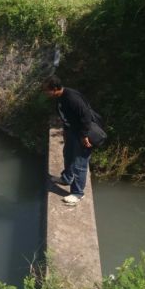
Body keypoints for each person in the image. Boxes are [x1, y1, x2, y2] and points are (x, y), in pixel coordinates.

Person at [42, 75, 93, 205]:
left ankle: (77, 193)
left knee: (79, 164)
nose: (45, 93)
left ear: (54, 88)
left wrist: (84, 135)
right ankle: (66, 178)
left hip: (81, 134)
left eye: (46, 90)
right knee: (68, 155)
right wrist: (65, 130)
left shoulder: (71, 98)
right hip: (71, 131)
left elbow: (86, 115)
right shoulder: (60, 97)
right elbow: (67, 116)